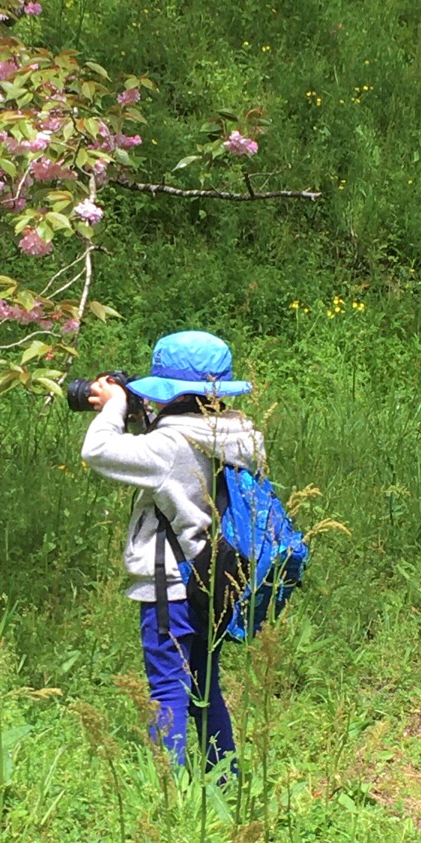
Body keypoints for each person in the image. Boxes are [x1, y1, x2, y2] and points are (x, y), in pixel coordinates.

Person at [80, 330, 265, 770]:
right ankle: (224, 779)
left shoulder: (168, 446)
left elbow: (98, 449)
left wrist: (115, 407)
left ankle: (167, 790)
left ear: (170, 393)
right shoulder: (240, 436)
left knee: (167, 690)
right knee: (204, 688)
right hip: (217, 581)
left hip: (172, 587)